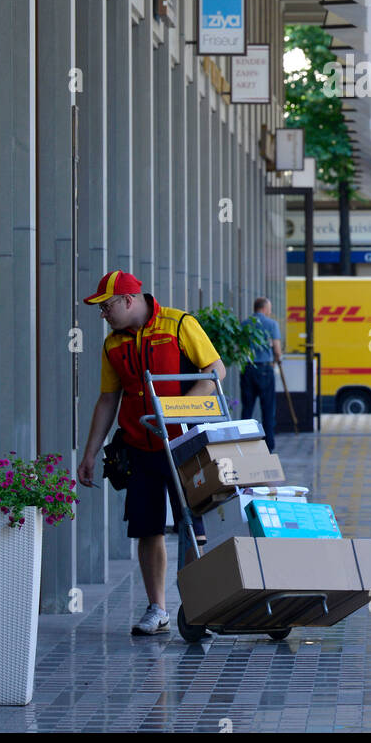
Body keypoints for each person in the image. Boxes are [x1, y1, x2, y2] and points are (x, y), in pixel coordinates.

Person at [77, 270, 225, 636]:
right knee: (147, 528)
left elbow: (215, 369)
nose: (103, 314)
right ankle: (157, 609)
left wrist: (179, 412)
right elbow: (109, 398)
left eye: (107, 306)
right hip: (139, 445)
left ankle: (196, 605)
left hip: (183, 444)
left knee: (192, 526)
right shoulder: (113, 344)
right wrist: (90, 453)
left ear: (128, 300)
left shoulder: (179, 325)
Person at [240, 296, 282, 452]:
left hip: (248, 369)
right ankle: (268, 446)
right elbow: (277, 349)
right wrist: (276, 360)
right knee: (268, 409)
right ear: (264, 308)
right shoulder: (271, 324)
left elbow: (240, 347)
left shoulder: (245, 324)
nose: (270, 312)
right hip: (265, 369)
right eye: (269, 309)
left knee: (247, 408)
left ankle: (244, 444)